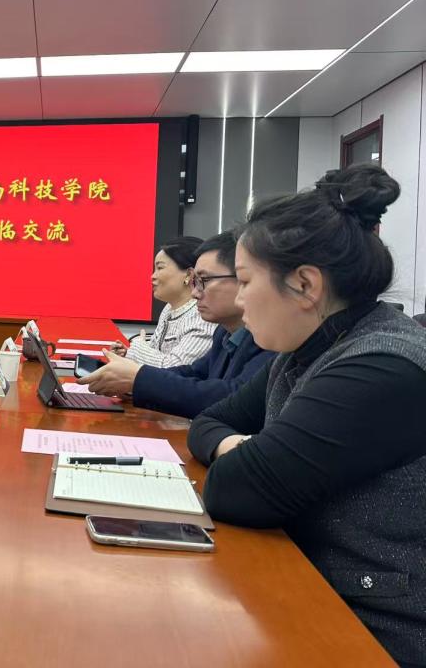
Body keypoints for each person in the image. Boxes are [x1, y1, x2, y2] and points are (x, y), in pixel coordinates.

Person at [186, 164, 426, 667]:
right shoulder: (307, 348)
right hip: (310, 587)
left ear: (304, 284)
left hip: (375, 629)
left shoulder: (381, 366)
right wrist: (240, 446)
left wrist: (246, 457)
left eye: (246, 281)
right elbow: (210, 422)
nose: (241, 299)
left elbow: (237, 490)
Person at [84, 230, 275, 418]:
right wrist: (133, 384)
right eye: (195, 282)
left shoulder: (271, 339)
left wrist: (138, 378)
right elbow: (193, 372)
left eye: (204, 281)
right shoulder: (224, 333)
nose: (195, 293)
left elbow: (234, 398)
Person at [110, 236, 215, 367]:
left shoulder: (203, 316)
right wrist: (128, 353)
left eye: (160, 268)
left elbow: (176, 367)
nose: (153, 276)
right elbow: (156, 352)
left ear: (189, 274)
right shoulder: (168, 308)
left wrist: (137, 348)